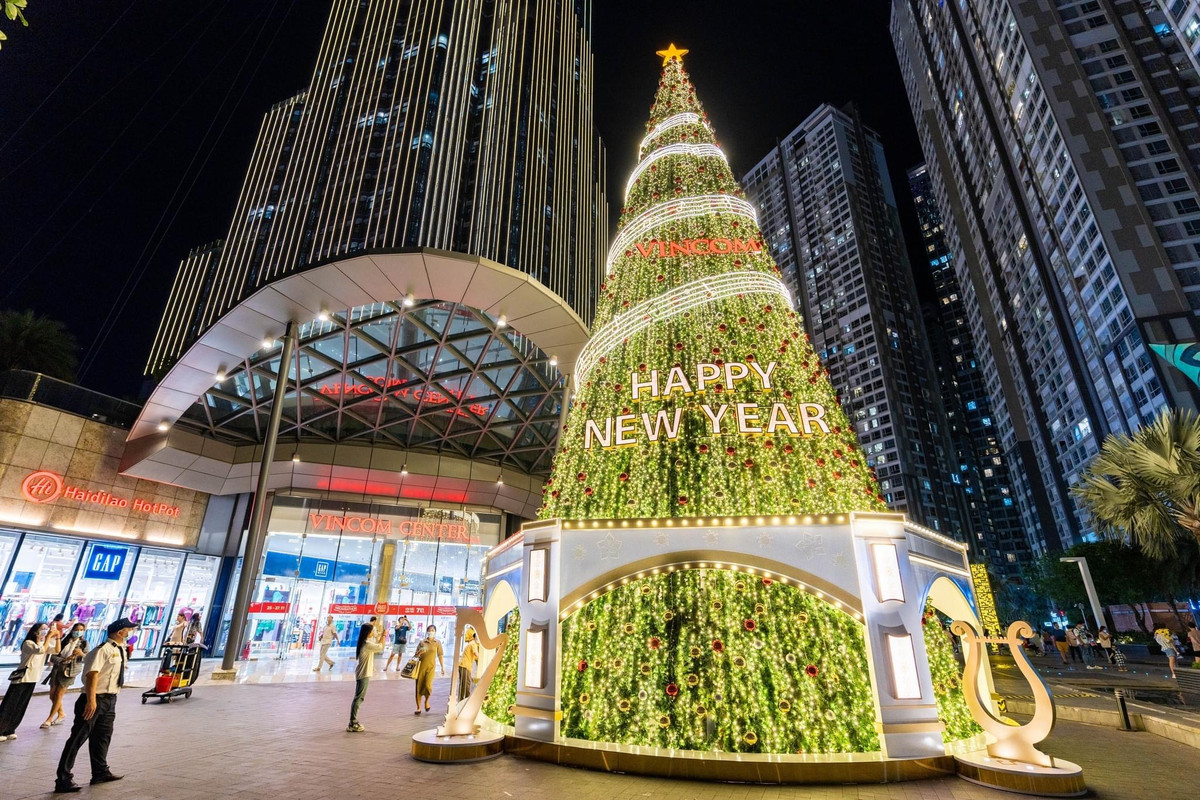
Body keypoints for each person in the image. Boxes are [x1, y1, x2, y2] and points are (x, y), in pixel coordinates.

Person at [54, 617, 136, 793]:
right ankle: (63, 778)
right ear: (120, 631)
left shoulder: (120, 650)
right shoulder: (102, 650)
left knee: (102, 737)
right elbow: (92, 675)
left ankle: (100, 772)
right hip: (93, 699)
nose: (130, 633)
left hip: (109, 699)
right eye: (128, 630)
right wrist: (91, 701)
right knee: (78, 738)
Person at [0, 622, 51, 741]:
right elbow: (40, 650)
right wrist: (48, 637)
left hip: (33, 679)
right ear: (35, 631)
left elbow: (56, 650)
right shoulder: (28, 643)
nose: (45, 631)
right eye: (42, 629)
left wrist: (56, 636)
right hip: (22, 679)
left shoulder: (44, 643)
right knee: (10, 705)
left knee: (21, 706)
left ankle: (10, 729)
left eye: (46, 629)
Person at [42, 623, 89, 729]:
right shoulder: (64, 641)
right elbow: (53, 657)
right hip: (57, 670)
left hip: (70, 672)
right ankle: (61, 713)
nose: (78, 631)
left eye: (81, 630)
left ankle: (49, 719)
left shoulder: (84, 644)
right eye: (76, 629)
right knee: (52, 695)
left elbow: (88, 658)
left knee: (59, 695)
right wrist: (64, 660)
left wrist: (81, 654)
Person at [347, 622, 384, 733]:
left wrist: (379, 635)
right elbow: (380, 647)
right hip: (363, 674)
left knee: (358, 697)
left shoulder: (365, 642)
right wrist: (385, 635)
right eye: (373, 630)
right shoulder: (367, 644)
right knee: (359, 698)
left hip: (362, 673)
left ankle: (353, 722)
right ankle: (353, 723)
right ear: (369, 632)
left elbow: (376, 643)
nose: (375, 632)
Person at [413, 624, 445, 715]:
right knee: (419, 687)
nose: (431, 632)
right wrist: (419, 652)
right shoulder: (422, 642)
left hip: (431, 667)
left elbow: (440, 655)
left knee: (428, 686)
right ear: (427, 631)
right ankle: (418, 707)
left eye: (432, 630)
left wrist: (442, 667)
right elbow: (416, 655)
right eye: (429, 630)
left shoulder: (437, 643)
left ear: (435, 632)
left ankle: (427, 701)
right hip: (421, 667)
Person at [456, 627, 481, 702]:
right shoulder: (473, 644)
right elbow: (476, 654)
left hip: (463, 665)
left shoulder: (472, 643)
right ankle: (466, 701)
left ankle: (461, 700)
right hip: (465, 666)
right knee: (467, 684)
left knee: (463, 685)